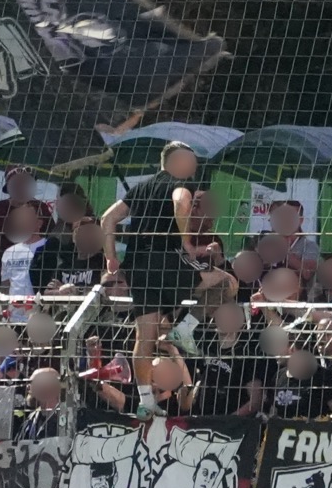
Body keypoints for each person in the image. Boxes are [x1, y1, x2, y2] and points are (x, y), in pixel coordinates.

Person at [101, 141, 207, 360]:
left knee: (144, 339)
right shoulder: (181, 184)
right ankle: (185, 328)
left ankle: (145, 394)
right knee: (226, 283)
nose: (194, 169)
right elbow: (181, 202)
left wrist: (110, 257)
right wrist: (187, 242)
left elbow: (107, 218)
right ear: (175, 162)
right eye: (192, 163)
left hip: (137, 266)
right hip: (168, 259)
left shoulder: (140, 188)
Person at [31, 214, 108, 292]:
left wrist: (71, 291)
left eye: (90, 231)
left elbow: (104, 291)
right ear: (74, 237)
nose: (84, 235)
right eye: (78, 231)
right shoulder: (64, 264)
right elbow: (48, 292)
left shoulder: (104, 263)